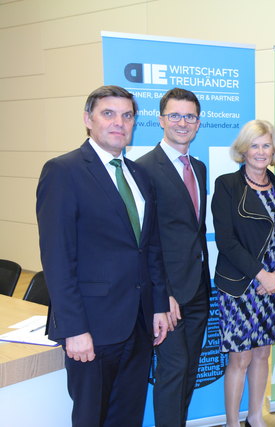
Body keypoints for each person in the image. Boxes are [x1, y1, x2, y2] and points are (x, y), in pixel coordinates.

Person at [36, 85, 170, 426]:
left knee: (128, 415)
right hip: (92, 327)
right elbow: (57, 258)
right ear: (88, 119)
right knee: (91, 417)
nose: (119, 123)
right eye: (108, 114)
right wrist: (74, 329)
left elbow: (150, 247)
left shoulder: (139, 175)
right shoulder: (63, 171)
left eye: (127, 116)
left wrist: (157, 305)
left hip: (138, 325)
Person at [212, 120, 275, 427]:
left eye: (266, 145)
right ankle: (232, 423)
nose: (261, 151)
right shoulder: (226, 186)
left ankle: (255, 418)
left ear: (273, 149)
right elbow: (227, 241)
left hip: (274, 286)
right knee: (240, 358)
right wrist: (263, 275)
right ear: (243, 150)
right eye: (255, 145)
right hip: (240, 286)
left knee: (262, 354)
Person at [136, 88, 210, 427]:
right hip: (168, 295)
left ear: (198, 123)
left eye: (190, 116)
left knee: (190, 369)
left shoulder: (199, 167)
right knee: (172, 371)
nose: (183, 123)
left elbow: (192, 232)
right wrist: (161, 294)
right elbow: (144, 240)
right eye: (175, 115)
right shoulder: (143, 170)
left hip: (198, 290)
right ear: (161, 119)